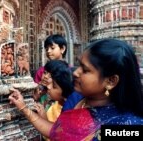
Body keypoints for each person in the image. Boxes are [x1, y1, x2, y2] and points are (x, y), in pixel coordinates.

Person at [9, 38, 143, 140]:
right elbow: (57, 131)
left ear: (111, 81)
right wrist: (23, 107)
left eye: (85, 70)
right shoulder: (77, 98)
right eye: (79, 65)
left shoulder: (128, 126)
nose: (75, 72)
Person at [33, 34, 67, 109]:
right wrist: (41, 85)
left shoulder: (69, 70)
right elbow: (35, 96)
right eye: (46, 49)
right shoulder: (41, 71)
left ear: (62, 49)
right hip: (44, 110)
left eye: (52, 48)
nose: (48, 51)